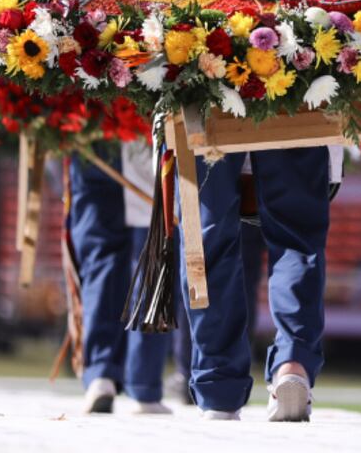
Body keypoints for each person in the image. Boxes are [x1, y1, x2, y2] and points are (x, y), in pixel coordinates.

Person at [177, 147, 332, 422]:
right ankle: (292, 364)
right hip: (292, 110)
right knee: (296, 234)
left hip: (206, 109)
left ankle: (218, 386)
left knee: (209, 235)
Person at [71, 140, 173, 414]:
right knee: (155, 247)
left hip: (96, 127)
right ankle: (144, 383)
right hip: (143, 128)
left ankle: (101, 373)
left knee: (100, 255)